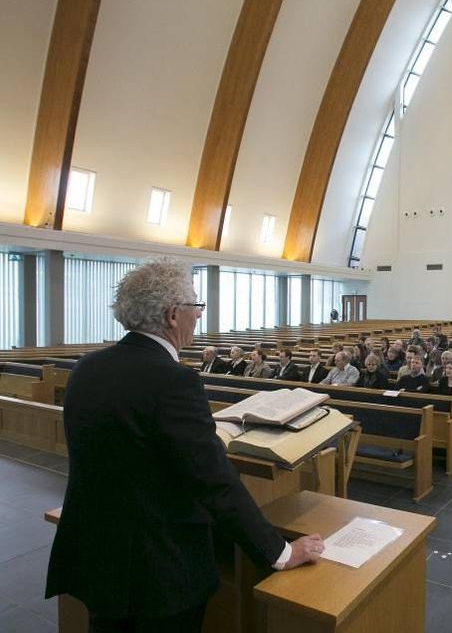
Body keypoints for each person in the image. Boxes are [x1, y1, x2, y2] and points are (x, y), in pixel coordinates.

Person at [45, 259, 323, 632]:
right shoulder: (173, 380)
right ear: (174, 315)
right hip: (158, 569)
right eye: (197, 308)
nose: (199, 317)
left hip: (97, 555)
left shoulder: (87, 368)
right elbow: (214, 481)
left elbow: (122, 452)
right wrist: (280, 552)